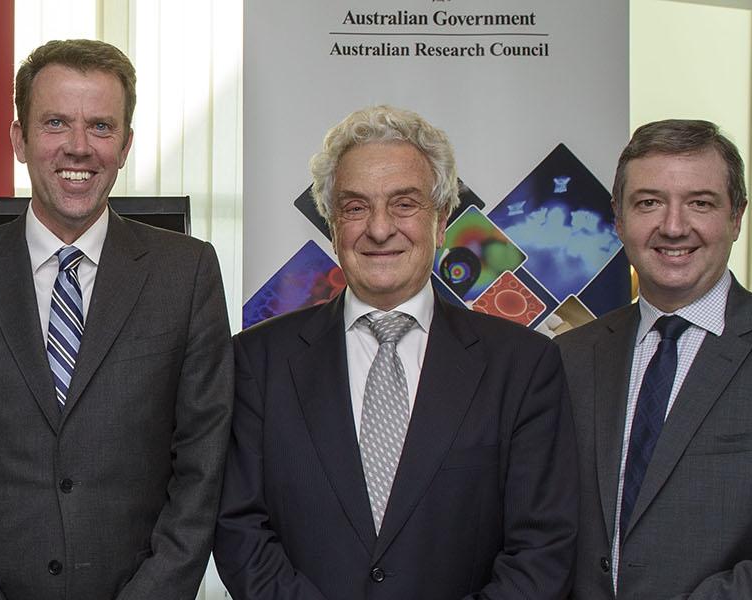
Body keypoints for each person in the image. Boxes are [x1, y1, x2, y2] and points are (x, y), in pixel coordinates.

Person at [0, 39, 232, 600]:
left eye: (101, 127)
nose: (78, 148)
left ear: (125, 145)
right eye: (55, 123)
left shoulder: (188, 272)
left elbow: (203, 460)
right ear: (19, 139)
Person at [212, 105, 576, 599]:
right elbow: (240, 531)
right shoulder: (257, 362)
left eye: (404, 204)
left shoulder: (525, 366)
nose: (380, 229)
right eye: (355, 208)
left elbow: (541, 549)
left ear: (442, 220)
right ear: (332, 224)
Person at [558, 119, 752, 598]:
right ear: (618, 219)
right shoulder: (568, 357)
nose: (672, 226)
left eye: (700, 203)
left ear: (737, 216)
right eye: (648, 202)